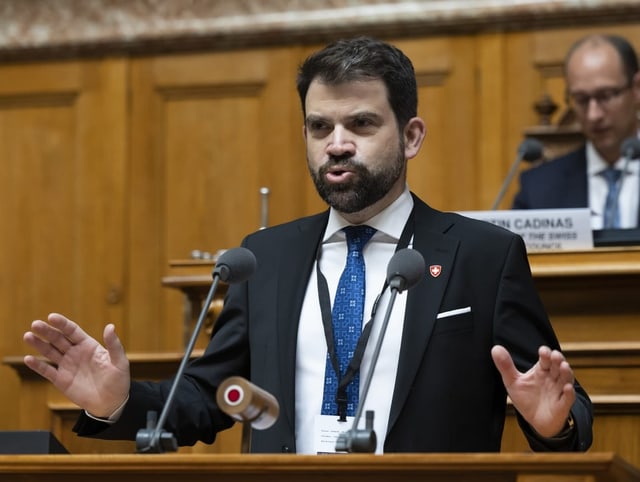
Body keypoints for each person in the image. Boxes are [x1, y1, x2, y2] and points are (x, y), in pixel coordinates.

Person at [23, 37, 592, 454]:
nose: (338, 145)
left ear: (411, 136)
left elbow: (565, 408)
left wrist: (552, 425)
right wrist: (117, 402)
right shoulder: (264, 258)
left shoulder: (484, 255)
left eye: (362, 125)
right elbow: (207, 396)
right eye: (320, 128)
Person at [512, 34, 640, 229]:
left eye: (606, 96)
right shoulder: (539, 187)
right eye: (581, 99)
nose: (593, 115)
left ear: (636, 89)